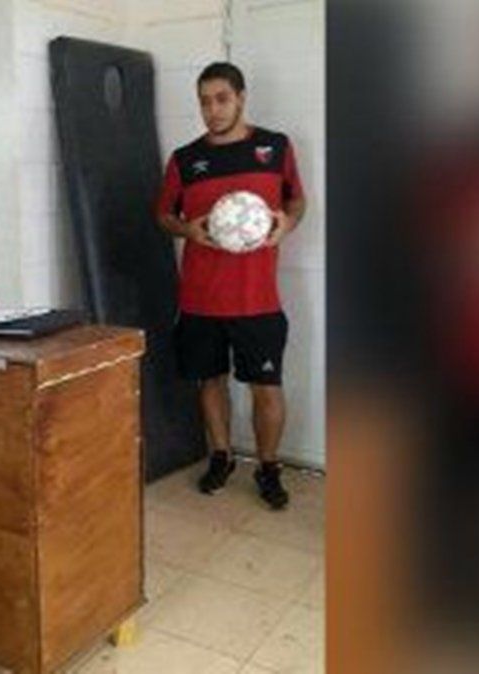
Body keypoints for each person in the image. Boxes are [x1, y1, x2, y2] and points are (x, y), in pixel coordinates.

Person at [156, 62, 306, 509]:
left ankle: (268, 466)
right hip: (201, 299)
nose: (212, 109)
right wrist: (188, 230)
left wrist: (287, 222)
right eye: (204, 101)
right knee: (210, 382)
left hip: (257, 299)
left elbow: (296, 198)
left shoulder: (274, 147)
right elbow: (164, 214)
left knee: (267, 387)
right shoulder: (185, 159)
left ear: (241, 97)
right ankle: (221, 456)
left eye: (221, 99)